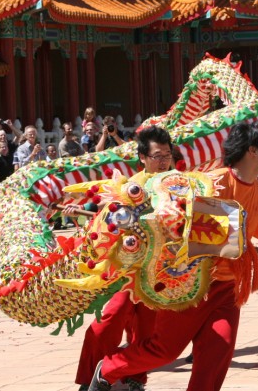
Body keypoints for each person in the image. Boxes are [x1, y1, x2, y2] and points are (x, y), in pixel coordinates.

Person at [89, 122, 258, 391]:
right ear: (252, 151)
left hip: (227, 288)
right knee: (164, 351)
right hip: (190, 283)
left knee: (218, 353)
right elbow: (175, 223)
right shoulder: (210, 183)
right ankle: (107, 368)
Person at [75, 126, 174, 391]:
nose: (163, 161)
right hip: (129, 272)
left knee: (147, 332)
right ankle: (89, 381)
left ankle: (134, 380)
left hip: (159, 273)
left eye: (167, 154)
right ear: (142, 157)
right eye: (157, 155)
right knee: (108, 322)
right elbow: (109, 221)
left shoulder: (178, 184)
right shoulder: (131, 187)